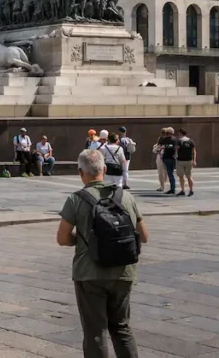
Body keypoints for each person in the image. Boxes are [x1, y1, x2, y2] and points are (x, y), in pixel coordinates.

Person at [57, 149, 147, 358]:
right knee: (122, 328)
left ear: (80, 172)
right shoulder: (126, 197)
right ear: (104, 170)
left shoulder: (75, 199)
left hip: (89, 272)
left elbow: (62, 238)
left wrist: (84, 241)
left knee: (95, 331)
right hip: (123, 271)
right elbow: (143, 236)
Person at [174, 129, 196, 197]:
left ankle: (183, 190)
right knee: (189, 176)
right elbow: (194, 152)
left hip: (180, 160)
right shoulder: (191, 141)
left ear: (180, 134)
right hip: (189, 160)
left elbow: (176, 149)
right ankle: (191, 190)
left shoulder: (178, 141)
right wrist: (194, 160)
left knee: (181, 176)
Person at [156, 127, 177, 194]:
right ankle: (172, 187)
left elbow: (159, 147)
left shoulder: (164, 140)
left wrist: (160, 151)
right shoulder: (175, 139)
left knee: (169, 173)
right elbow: (176, 148)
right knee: (170, 173)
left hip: (167, 158)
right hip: (172, 158)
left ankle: (172, 188)